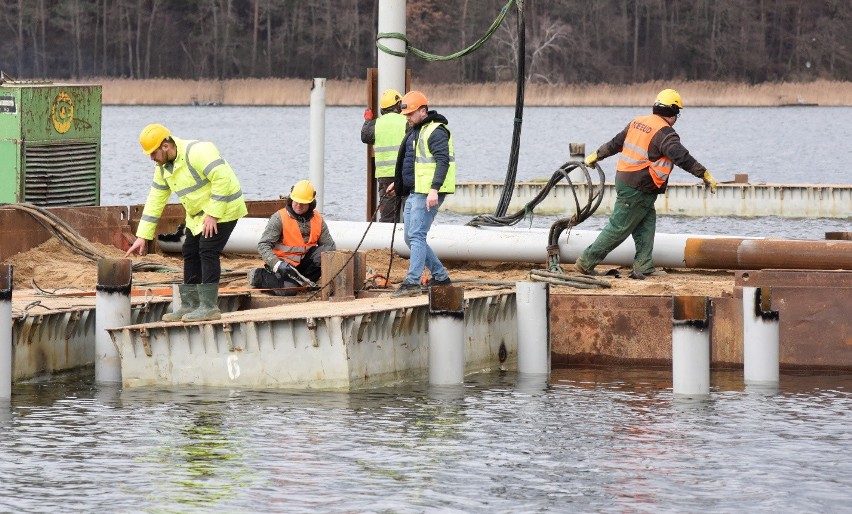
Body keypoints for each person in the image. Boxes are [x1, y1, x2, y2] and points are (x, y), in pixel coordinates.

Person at [576, 88, 720, 279]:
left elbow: (615, 143)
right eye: (677, 113)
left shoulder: (638, 122)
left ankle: (643, 265)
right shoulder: (665, 133)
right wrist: (704, 174)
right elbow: (681, 157)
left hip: (627, 181)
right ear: (673, 112)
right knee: (619, 227)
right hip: (639, 186)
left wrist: (596, 155)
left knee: (646, 224)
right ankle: (586, 262)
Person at [126, 123, 247, 322]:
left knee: (207, 250)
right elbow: (155, 199)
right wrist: (142, 236)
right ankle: (190, 305)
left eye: (153, 152)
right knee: (190, 251)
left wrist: (213, 214)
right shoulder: (163, 168)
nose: (151, 158)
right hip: (197, 216)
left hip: (225, 209)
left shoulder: (198, 151)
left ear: (165, 146)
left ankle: (209, 307)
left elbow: (222, 178)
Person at [387, 90, 455, 297]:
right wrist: (398, 184)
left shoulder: (436, 131)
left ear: (423, 111)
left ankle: (412, 282)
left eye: (410, 114)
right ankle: (441, 277)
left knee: (416, 235)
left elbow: (443, 161)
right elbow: (411, 163)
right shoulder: (417, 130)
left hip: (427, 193)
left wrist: (434, 189)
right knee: (410, 238)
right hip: (416, 191)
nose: (407, 119)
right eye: (406, 115)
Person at [247, 180, 336, 296]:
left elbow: (330, 247)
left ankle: (301, 282)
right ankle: (258, 276)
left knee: (326, 251)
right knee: (288, 290)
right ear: (291, 199)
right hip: (282, 266)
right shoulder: (279, 218)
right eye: (296, 202)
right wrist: (277, 264)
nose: (298, 206)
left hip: (303, 266)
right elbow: (263, 245)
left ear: (311, 203)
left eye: (303, 203)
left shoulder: (318, 219)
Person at [361, 88, 408, 222]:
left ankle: (386, 242)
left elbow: (365, 137)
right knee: (410, 216)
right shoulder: (406, 121)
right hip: (405, 175)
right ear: (398, 105)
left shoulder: (376, 124)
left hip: (385, 177)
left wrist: (367, 121)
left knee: (387, 219)